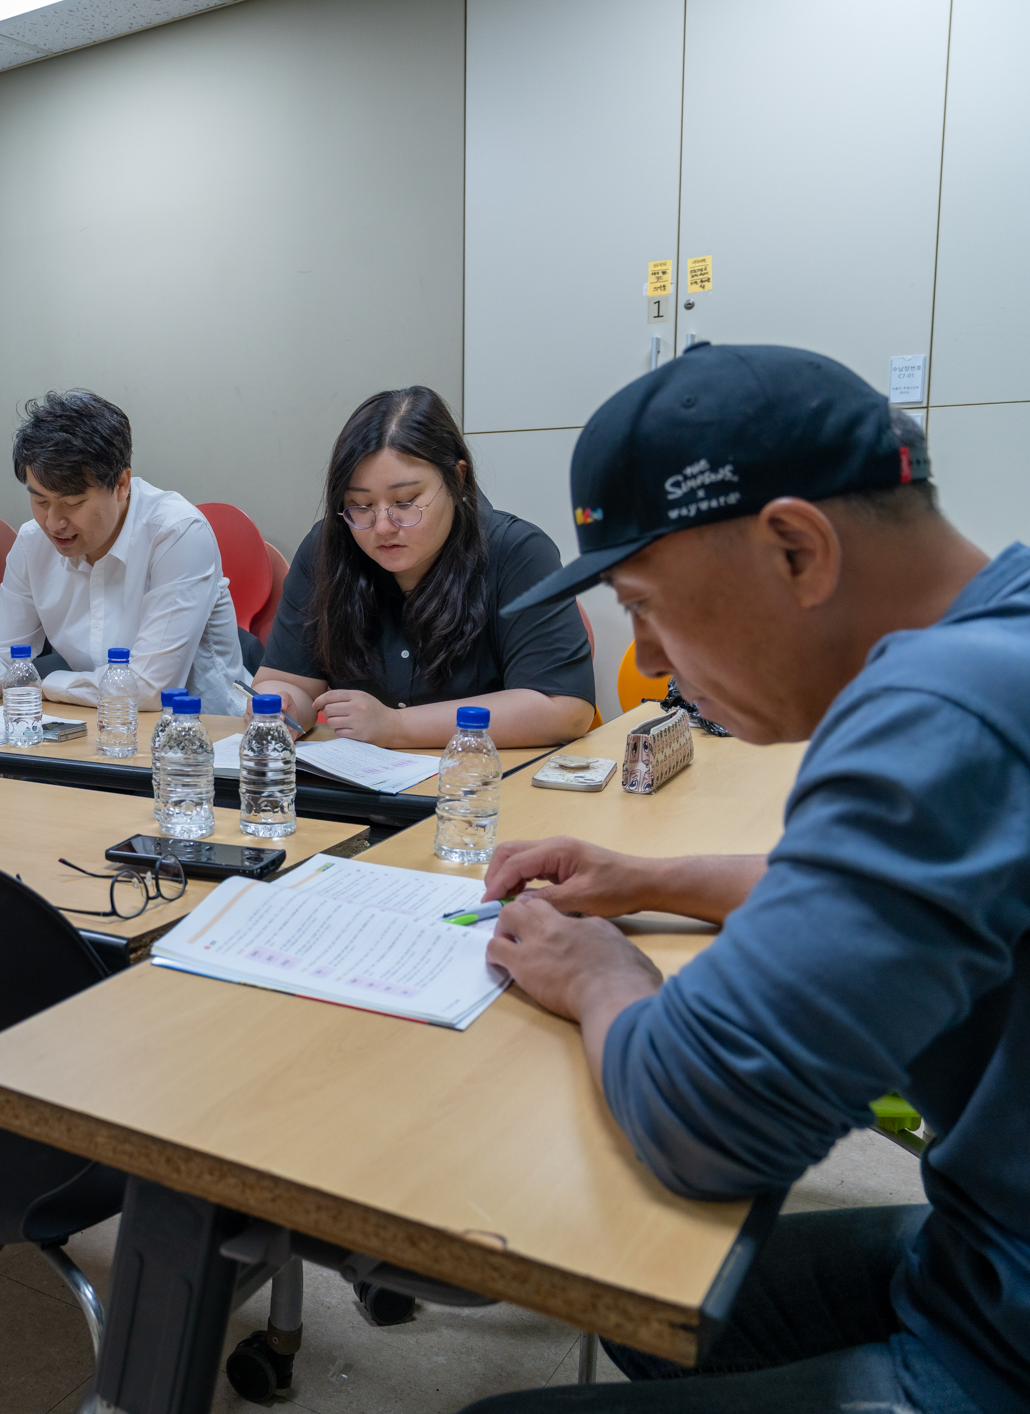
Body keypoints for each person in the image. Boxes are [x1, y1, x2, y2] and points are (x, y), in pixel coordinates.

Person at [462, 345, 1023, 1413]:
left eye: (644, 604)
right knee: (641, 1297)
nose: (649, 659)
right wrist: (645, 876)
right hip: (985, 1247)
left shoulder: (940, 712)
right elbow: (905, 892)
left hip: (1007, 1338)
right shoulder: (998, 637)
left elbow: (701, 1124)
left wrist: (600, 977)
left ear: (796, 550)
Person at [254, 386, 596, 746]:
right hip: (363, 778)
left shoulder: (517, 552)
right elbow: (289, 681)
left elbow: (563, 708)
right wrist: (281, 705)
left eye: (405, 501)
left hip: (483, 775)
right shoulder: (327, 549)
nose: (382, 526)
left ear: (457, 478)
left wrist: (395, 726)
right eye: (361, 505)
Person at [0, 389, 247, 717]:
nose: (53, 523)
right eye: (40, 501)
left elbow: (149, 687)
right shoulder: (33, 542)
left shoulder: (177, 534)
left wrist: (43, 684)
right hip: (99, 725)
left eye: (73, 503)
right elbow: (0, 652)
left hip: (204, 731)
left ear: (122, 484)